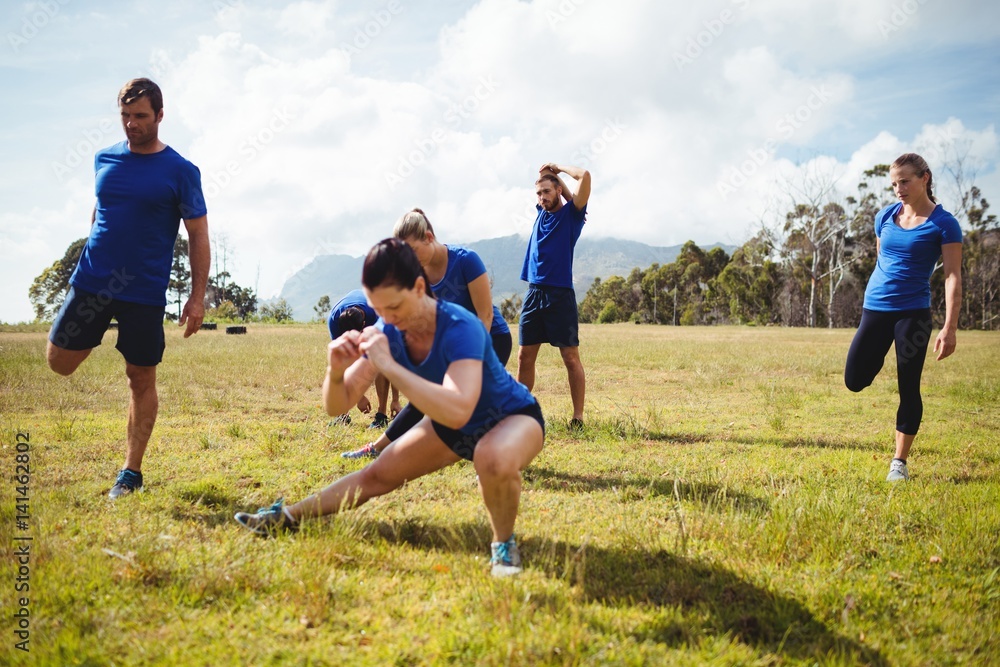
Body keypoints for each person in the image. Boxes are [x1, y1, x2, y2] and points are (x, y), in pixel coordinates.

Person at [235, 238, 544, 577]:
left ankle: (503, 546)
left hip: (510, 417)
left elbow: (459, 408)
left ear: (419, 287)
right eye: (378, 310)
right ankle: (287, 517)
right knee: (378, 474)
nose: (387, 319)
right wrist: (335, 372)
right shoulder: (387, 329)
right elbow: (336, 404)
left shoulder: (460, 327)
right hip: (451, 421)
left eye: (394, 307)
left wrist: (390, 366)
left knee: (491, 456)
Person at [46, 78, 209, 499]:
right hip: (92, 282)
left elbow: (198, 235)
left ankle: (130, 473)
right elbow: (100, 211)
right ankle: (96, 332)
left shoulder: (181, 171)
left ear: (159, 115)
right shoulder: (104, 159)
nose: (131, 124)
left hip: (143, 291)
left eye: (139, 116)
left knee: (140, 376)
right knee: (58, 362)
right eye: (125, 116)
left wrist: (195, 296)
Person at [340, 208, 512, 459]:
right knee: (424, 395)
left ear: (429, 237)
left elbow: (484, 315)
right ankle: (375, 449)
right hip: (453, 343)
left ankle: (498, 446)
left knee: (472, 400)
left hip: (490, 338)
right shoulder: (417, 273)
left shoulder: (466, 260)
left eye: (413, 250)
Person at [845, 153, 963, 482]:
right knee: (854, 380)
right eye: (894, 183)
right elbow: (885, 259)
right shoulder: (885, 216)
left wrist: (949, 327)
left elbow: (952, 276)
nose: (899, 189)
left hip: (912, 314)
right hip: (876, 308)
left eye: (905, 181)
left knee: (908, 386)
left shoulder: (944, 224)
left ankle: (899, 462)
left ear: (925, 178)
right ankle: (881, 353)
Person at [516, 162, 591, 429]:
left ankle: (578, 417)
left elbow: (585, 176)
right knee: (525, 356)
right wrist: (547, 176)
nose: (542, 197)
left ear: (559, 190)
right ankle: (520, 413)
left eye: (547, 192)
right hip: (534, 292)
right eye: (538, 194)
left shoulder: (572, 217)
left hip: (560, 295)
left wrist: (558, 169)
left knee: (570, 358)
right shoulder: (541, 212)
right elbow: (543, 181)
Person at [327, 289, 400, 428]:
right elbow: (341, 360)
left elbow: (391, 359)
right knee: (343, 359)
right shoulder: (333, 320)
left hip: (374, 312)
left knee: (379, 359)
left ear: (364, 324)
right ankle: (342, 415)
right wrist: (358, 398)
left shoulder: (379, 315)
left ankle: (381, 416)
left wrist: (395, 399)